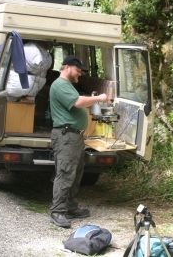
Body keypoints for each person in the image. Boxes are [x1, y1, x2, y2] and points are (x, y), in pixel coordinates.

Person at [49, 55, 108, 228]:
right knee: (65, 173)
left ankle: (70, 207)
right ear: (66, 67)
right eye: (77, 70)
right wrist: (99, 98)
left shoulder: (67, 85)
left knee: (75, 173)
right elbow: (77, 102)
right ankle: (57, 211)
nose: (79, 74)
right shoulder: (60, 85)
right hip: (66, 136)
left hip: (74, 137)